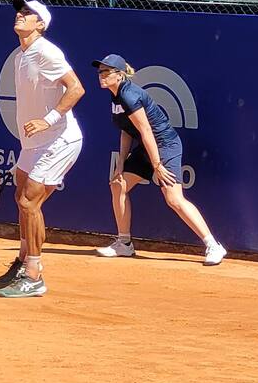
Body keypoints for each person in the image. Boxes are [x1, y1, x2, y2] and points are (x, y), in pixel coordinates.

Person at [92, 54, 227, 265]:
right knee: (118, 185)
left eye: (106, 72)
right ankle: (124, 244)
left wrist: (157, 165)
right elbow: (126, 131)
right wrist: (120, 164)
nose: (100, 76)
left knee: (173, 198)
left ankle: (213, 245)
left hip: (164, 145)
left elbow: (146, 131)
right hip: (147, 147)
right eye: (100, 72)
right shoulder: (116, 96)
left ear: (119, 75)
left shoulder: (129, 95)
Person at [0, 0, 86, 298]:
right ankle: (23, 262)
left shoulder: (47, 51)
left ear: (40, 24)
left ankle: (34, 274)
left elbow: (77, 88)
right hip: (33, 143)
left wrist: (49, 119)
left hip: (60, 139)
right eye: (19, 12)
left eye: (28, 14)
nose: (20, 15)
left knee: (29, 203)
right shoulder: (21, 54)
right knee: (22, 197)